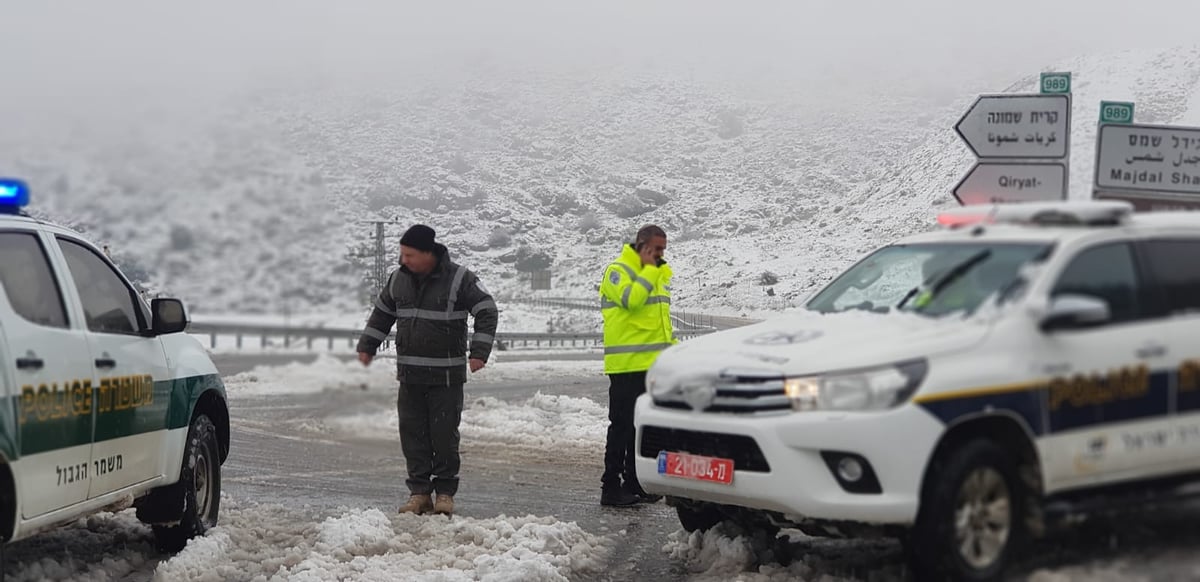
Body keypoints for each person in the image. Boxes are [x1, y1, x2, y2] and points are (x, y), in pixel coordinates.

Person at [356, 224, 498, 517]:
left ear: (427, 253)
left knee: (444, 436)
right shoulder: (398, 280)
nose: (403, 260)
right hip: (410, 376)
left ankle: (445, 493)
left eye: (409, 254)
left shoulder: (460, 278)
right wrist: (367, 346)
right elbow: (381, 314)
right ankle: (419, 493)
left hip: (446, 377)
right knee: (413, 435)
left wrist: (479, 352)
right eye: (401, 254)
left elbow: (486, 309)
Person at [598, 224, 675, 506]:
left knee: (639, 427)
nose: (658, 254)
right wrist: (650, 271)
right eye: (654, 249)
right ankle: (611, 486)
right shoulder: (618, 271)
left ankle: (634, 482)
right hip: (626, 365)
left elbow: (661, 326)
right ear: (640, 246)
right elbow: (631, 301)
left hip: (651, 366)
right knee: (621, 426)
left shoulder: (657, 277)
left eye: (662, 249)